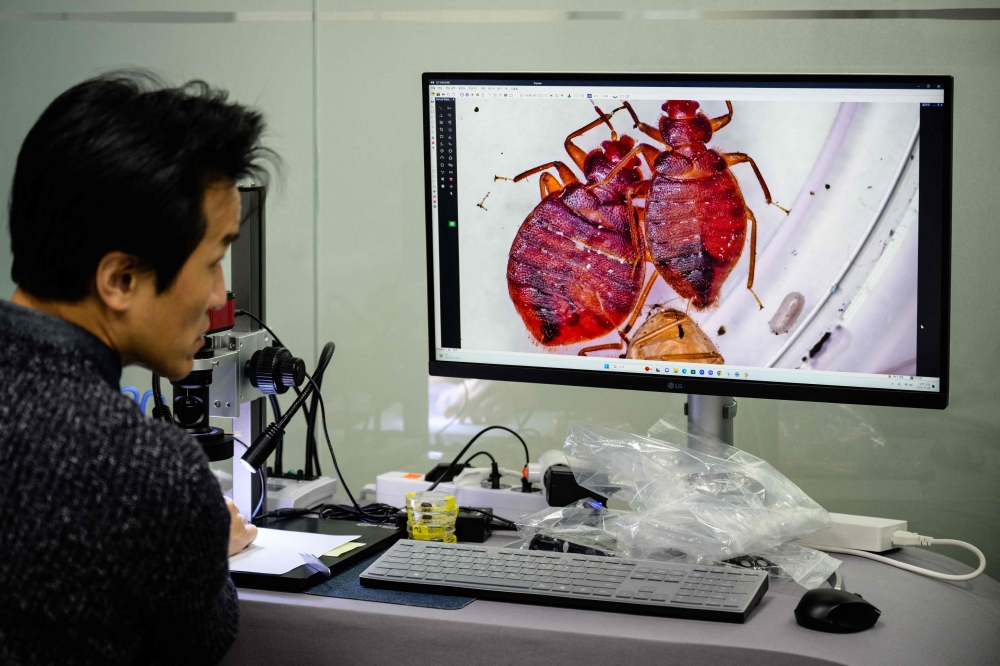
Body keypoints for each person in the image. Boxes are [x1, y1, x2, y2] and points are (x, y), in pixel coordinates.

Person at [0, 72, 272, 664]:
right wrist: (202, 541)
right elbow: (203, 638)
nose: (220, 297)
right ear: (121, 280)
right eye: (213, 262)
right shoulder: (146, 473)